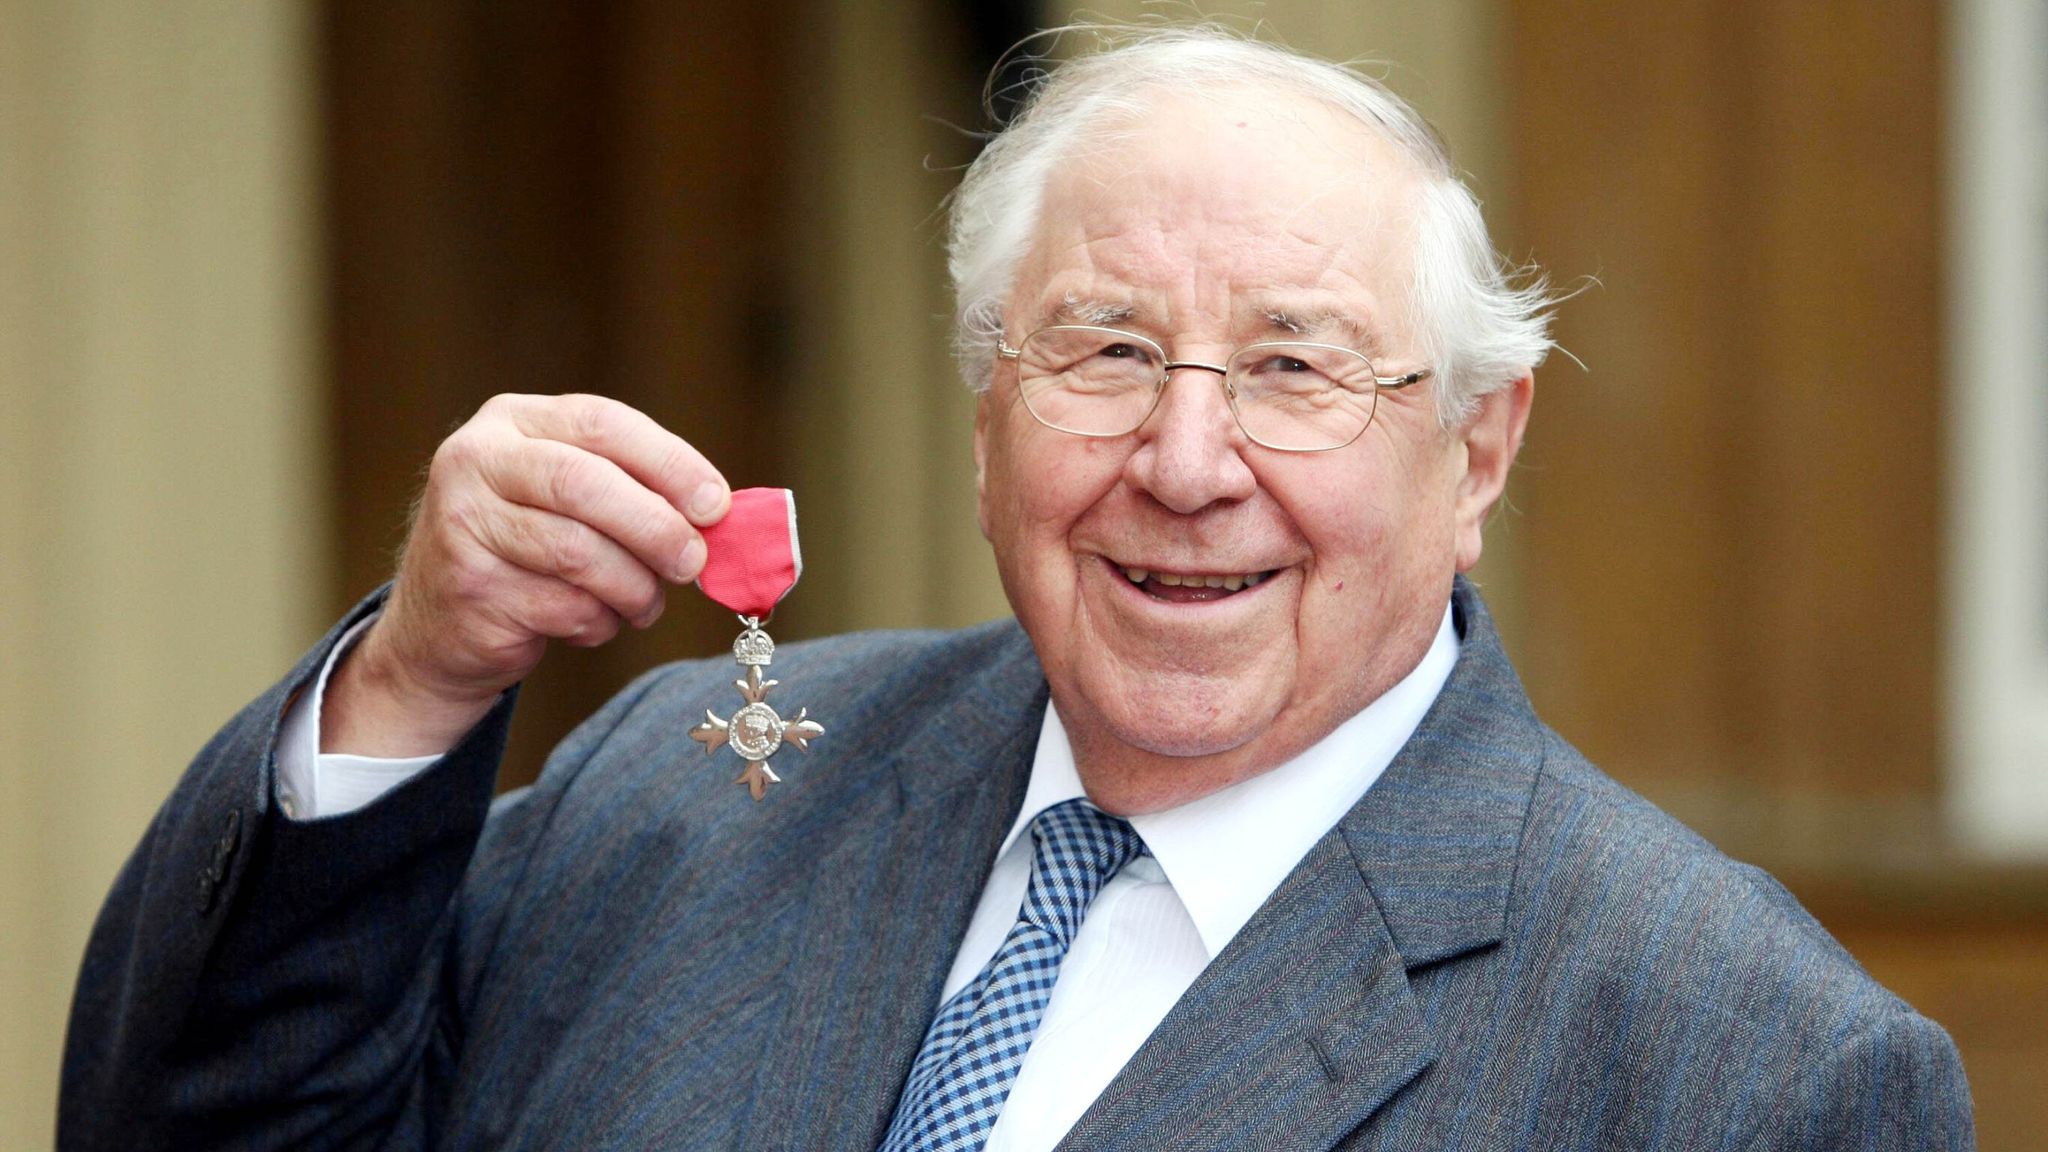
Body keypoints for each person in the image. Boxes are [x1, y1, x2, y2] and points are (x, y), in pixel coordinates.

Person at [61, 26, 1972, 1152]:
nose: (1189, 458)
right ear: (988, 418)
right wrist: (412, 681)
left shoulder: (1738, 1066)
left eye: (1297, 365)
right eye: (1106, 351)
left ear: (1474, 452)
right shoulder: (691, 784)